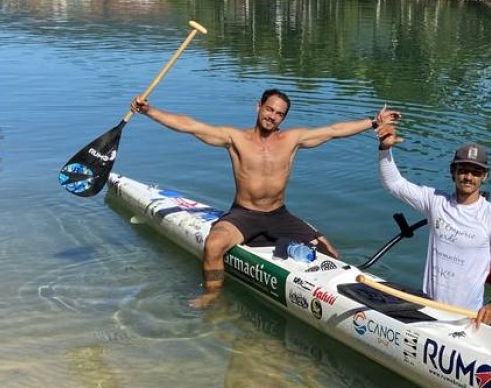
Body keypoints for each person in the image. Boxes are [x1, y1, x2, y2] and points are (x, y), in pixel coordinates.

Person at [132, 89, 400, 307]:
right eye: (269, 109)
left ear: (283, 118)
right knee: (214, 246)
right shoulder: (234, 138)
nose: (272, 116)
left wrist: (374, 122)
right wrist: (150, 111)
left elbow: (333, 130)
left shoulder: (292, 139)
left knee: (330, 251)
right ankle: (212, 295)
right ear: (258, 106)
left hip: (279, 215)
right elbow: (191, 126)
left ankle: (325, 298)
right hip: (243, 215)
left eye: (279, 114)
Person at [375, 125, 491, 327]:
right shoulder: (435, 200)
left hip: (466, 318)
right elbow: (395, 184)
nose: (468, 177)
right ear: (453, 172)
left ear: (484, 177)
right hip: (427, 309)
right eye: (463, 170)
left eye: (476, 172)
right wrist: (384, 149)